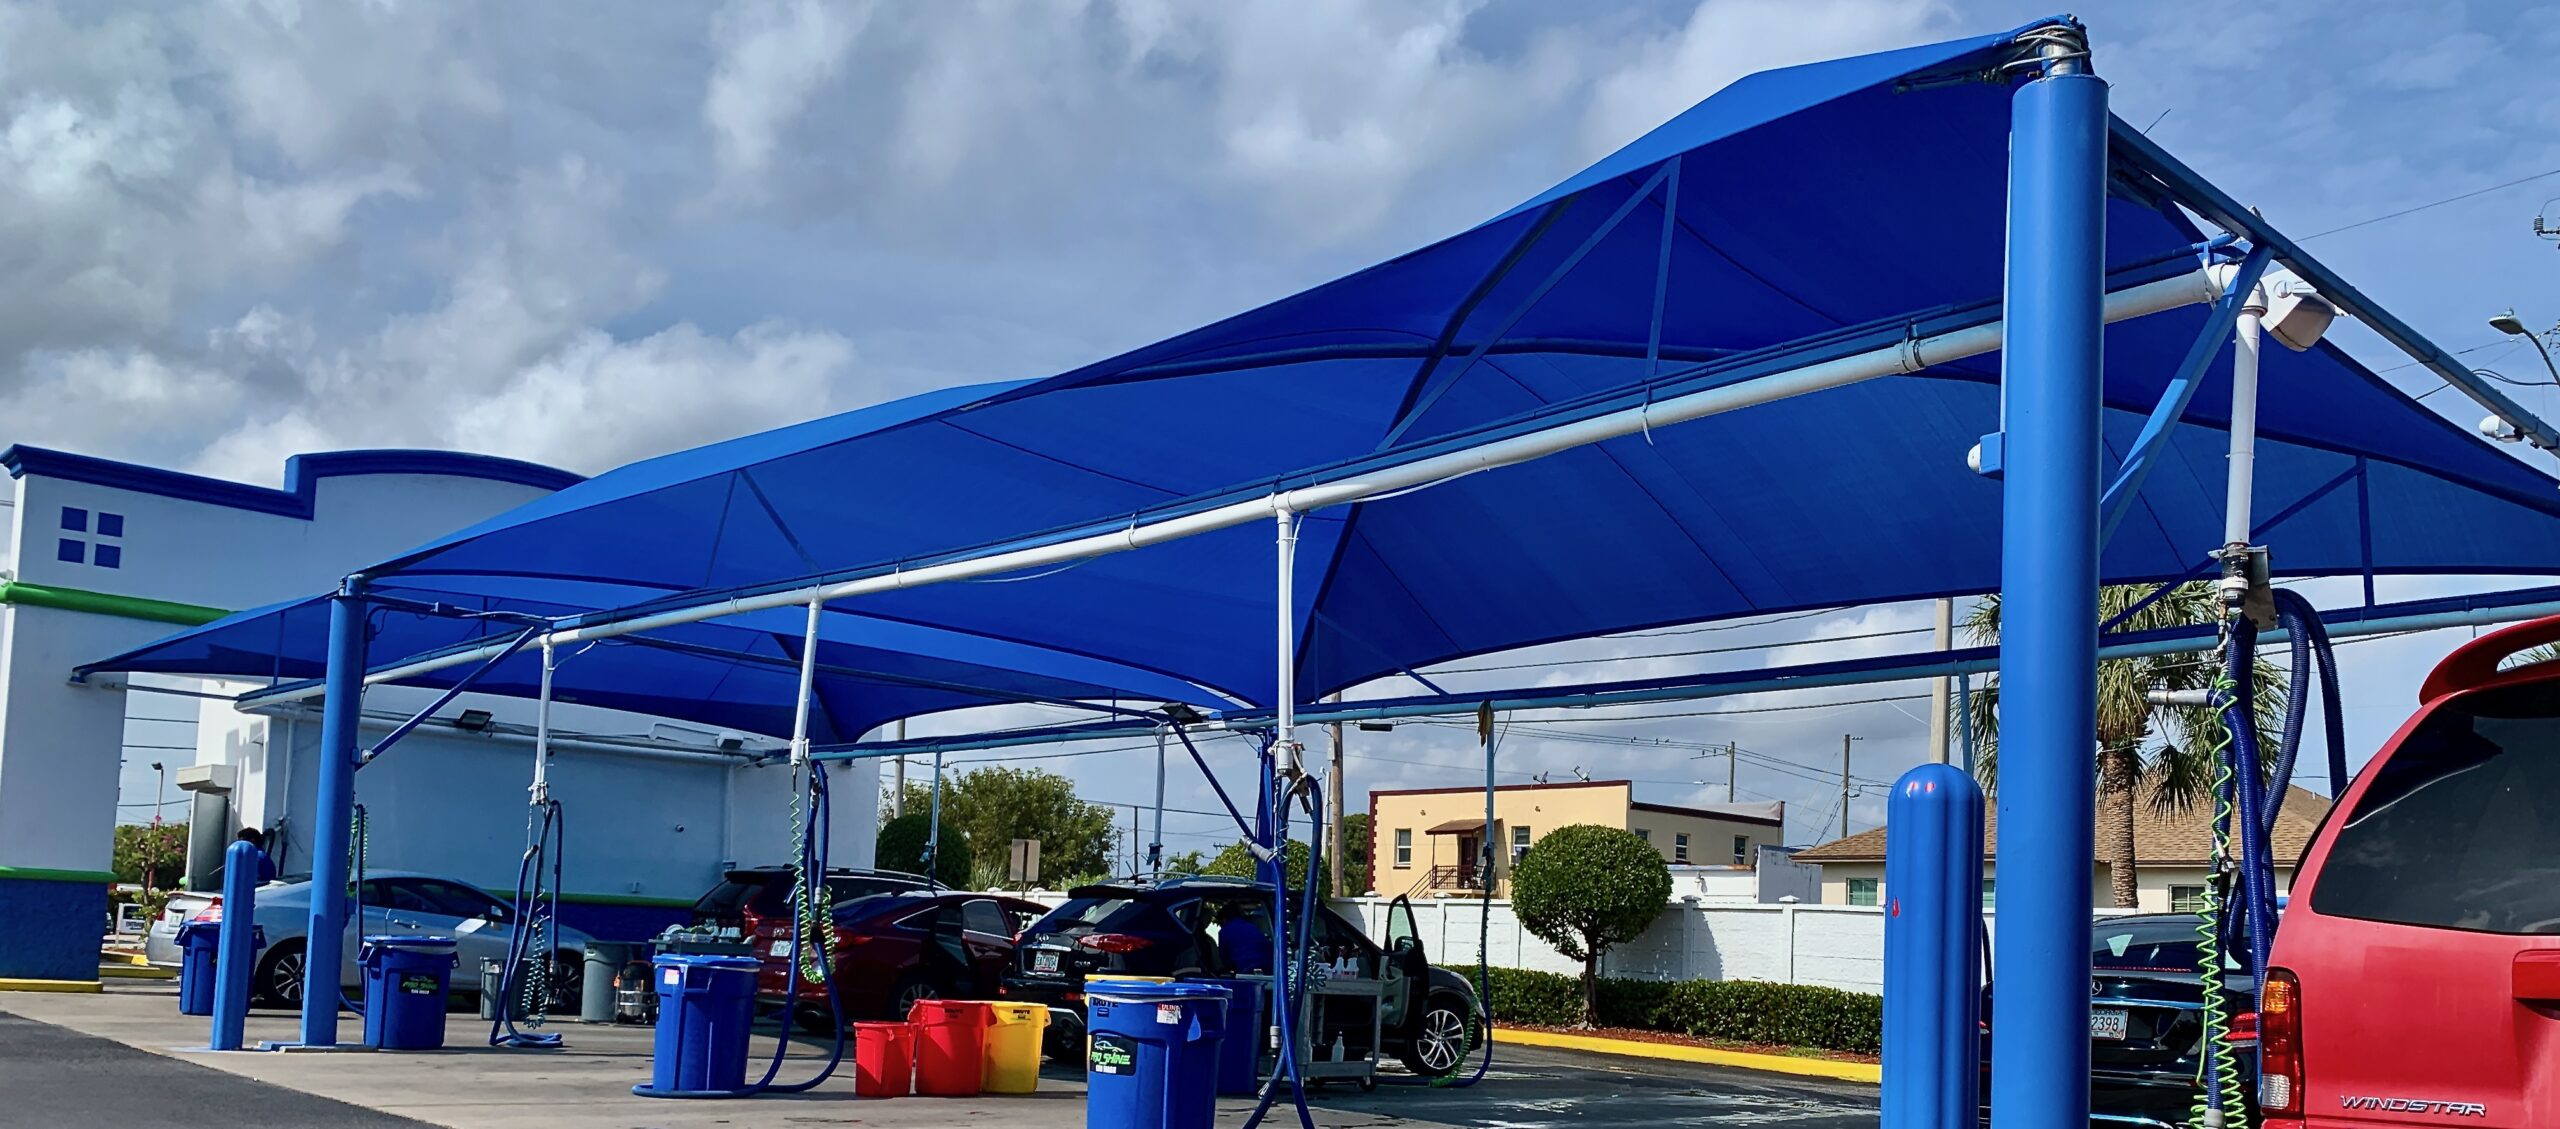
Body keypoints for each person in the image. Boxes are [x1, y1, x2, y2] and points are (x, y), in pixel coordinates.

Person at [1214, 900, 1271, 975]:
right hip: (1269, 967)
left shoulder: (1224, 931)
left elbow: (1225, 958)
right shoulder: (1251, 926)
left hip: (1246, 970)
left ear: (1224, 920)